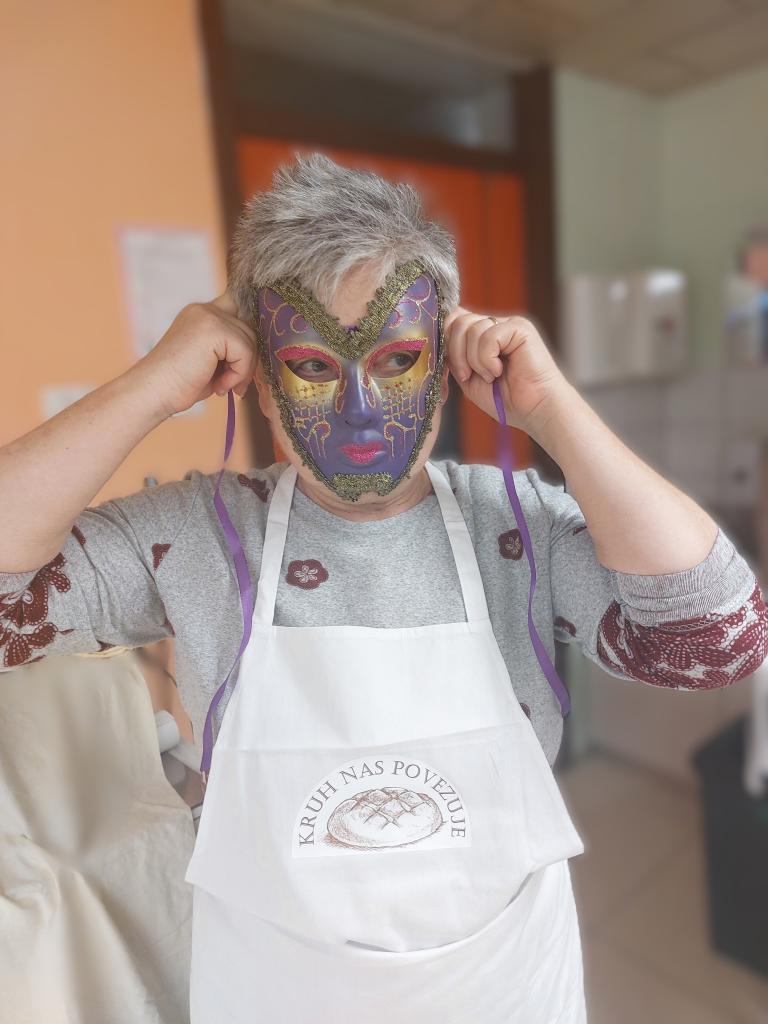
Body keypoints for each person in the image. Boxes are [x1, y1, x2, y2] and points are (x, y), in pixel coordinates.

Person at [1, 152, 765, 1023]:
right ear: (259, 380)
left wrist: (551, 407)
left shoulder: (514, 526)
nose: (359, 411)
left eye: (398, 358)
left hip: (502, 987)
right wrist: (151, 387)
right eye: (314, 368)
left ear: (443, 364)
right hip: (279, 992)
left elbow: (719, 641)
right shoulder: (194, 536)